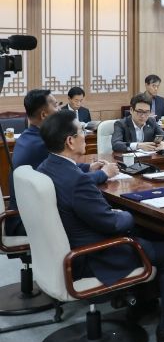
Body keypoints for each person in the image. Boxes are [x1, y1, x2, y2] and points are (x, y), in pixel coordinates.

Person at [37, 111, 164, 342]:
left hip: (71, 248)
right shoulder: (77, 181)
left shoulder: (47, 167)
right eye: (81, 131)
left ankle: (141, 306)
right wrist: (128, 213)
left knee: (150, 234)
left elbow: (76, 184)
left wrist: (91, 173)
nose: (85, 135)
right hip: (95, 256)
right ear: (70, 141)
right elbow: (112, 223)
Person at [6, 91, 117, 236]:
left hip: (24, 213)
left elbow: (60, 171)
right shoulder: (41, 144)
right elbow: (67, 183)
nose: (60, 109)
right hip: (28, 221)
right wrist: (103, 173)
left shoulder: (27, 136)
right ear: (44, 115)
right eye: (56, 105)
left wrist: (89, 167)